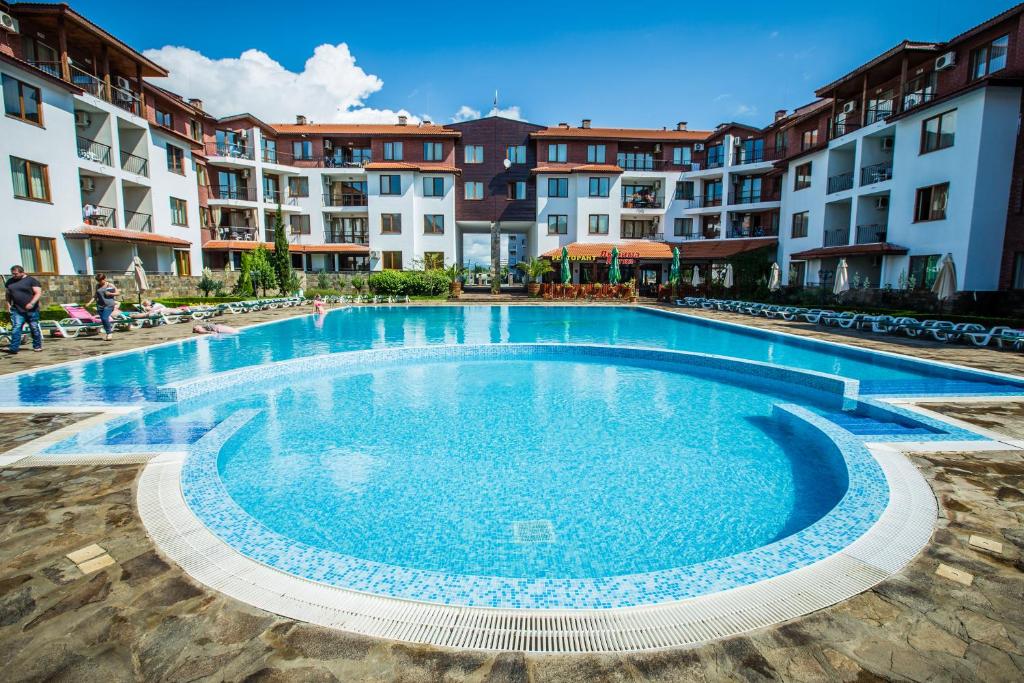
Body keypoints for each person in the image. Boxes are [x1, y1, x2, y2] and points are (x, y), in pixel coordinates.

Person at [5, 265, 43, 354]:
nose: (14, 275)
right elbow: (8, 295)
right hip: (17, 310)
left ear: (22, 272)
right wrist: (8, 305)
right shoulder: (10, 282)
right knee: (16, 328)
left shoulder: (31, 281)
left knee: (34, 328)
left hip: (32, 310)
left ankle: (37, 346)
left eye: (16, 274)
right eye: (12, 274)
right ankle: (14, 348)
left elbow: (38, 293)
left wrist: (32, 303)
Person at [93, 273, 118, 342]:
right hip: (100, 305)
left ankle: (109, 333)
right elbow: (95, 295)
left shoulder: (110, 285)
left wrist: (111, 294)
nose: (100, 282)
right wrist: (89, 302)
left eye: (101, 280)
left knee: (104, 318)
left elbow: (117, 293)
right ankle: (108, 333)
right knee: (103, 320)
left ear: (104, 279)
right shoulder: (97, 286)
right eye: (98, 280)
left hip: (109, 305)